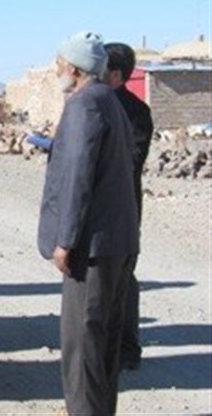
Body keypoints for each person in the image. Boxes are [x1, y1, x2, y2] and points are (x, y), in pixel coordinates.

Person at [37, 31, 138, 416]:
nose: (56, 68)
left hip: (92, 246)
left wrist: (65, 240)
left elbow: (79, 176)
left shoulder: (84, 104)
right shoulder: (109, 100)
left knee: (82, 349)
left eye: (60, 61)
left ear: (75, 67)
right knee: (102, 346)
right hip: (117, 240)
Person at [103, 42, 154, 371]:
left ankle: (127, 349)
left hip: (122, 207)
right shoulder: (92, 104)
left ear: (116, 74)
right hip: (96, 207)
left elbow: (132, 161)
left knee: (122, 276)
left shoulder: (135, 112)